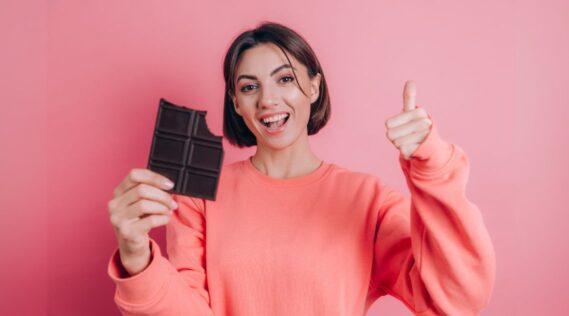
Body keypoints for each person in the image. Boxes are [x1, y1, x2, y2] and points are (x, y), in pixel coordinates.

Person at [106, 21, 496, 315]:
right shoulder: (198, 198)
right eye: (249, 87)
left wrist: (432, 167)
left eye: (285, 79)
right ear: (236, 104)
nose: (268, 100)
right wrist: (136, 254)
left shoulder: (367, 200)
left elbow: (456, 298)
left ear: (314, 87)